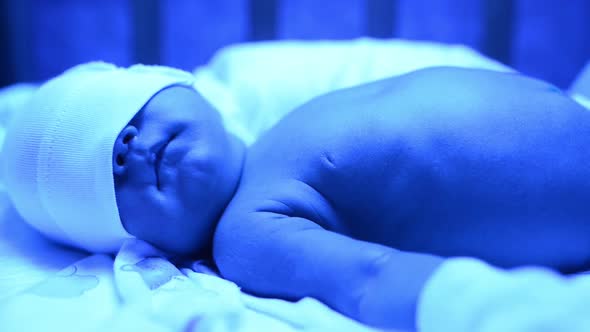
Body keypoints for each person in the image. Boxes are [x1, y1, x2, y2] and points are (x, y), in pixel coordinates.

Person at [4, 62, 590, 330]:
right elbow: (371, 279)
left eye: (123, 115)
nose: (126, 147)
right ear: (140, 244)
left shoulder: (278, 130)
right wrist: (529, 314)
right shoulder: (247, 234)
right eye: (103, 178)